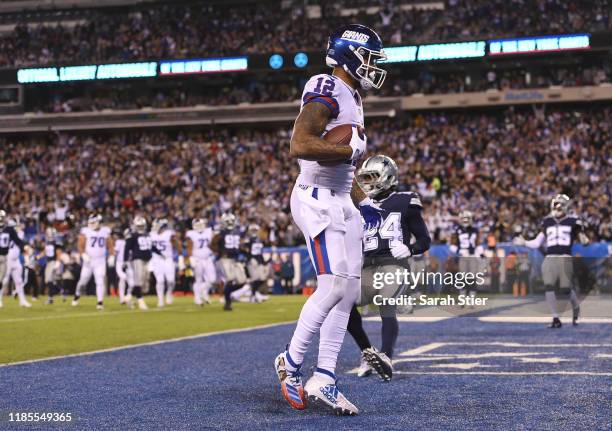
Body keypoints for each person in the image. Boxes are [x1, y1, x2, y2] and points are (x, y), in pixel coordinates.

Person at [274, 24, 387, 415]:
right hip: (316, 197)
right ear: (351, 54)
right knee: (333, 284)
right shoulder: (327, 84)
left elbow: (347, 164)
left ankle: (324, 378)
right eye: (370, 56)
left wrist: (365, 200)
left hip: (341, 198)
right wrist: (346, 153)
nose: (374, 65)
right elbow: (300, 144)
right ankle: (290, 364)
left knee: (349, 291)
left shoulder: (353, 95)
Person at [348, 155, 431, 381]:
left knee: (387, 305)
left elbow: (425, 240)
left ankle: (386, 356)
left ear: (387, 177)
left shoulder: (405, 201)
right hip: (366, 265)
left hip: (393, 264)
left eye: (372, 177)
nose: (366, 183)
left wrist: (411, 249)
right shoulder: (357, 204)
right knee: (342, 303)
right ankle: (368, 352)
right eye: (364, 178)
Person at [514, 194, 588, 327]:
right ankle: (556, 318)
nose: (557, 207)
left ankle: (575, 307)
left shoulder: (573, 221)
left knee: (565, 289)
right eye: (555, 205)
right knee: (549, 286)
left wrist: (584, 238)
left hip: (565, 257)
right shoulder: (547, 221)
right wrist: (524, 242)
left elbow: (583, 240)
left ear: (565, 207)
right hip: (549, 257)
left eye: (559, 205)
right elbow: (537, 243)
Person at [72, 214, 113, 309]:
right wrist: (83, 254)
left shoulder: (105, 231)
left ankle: (100, 302)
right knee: (82, 281)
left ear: (98, 222)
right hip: (88, 260)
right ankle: (77, 296)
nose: (91, 224)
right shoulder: (86, 231)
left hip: (100, 260)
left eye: (93, 222)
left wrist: (112, 255)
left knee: (100, 280)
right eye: (90, 222)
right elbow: (80, 245)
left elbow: (110, 245)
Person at [124, 216, 160, 310]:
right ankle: (140, 301)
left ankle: (129, 296)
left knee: (145, 281)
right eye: (139, 226)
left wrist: (160, 253)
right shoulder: (132, 235)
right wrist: (125, 261)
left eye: (142, 226)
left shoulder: (147, 235)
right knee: (139, 279)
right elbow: (127, 249)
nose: (140, 228)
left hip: (147, 259)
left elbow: (151, 246)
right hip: (137, 259)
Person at [149, 218, 180, 307]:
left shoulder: (169, 234)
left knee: (171, 280)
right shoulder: (151, 234)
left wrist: (180, 255)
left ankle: (169, 292)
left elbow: (176, 244)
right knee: (160, 280)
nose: (155, 227)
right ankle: (160, 299)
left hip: (168, 259)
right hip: (156, 259)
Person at [0, 217, 30, 307]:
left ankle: (22, 300)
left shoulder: (18, 232)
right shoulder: (10, 232)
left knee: (19, 281)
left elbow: (20, 242)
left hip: (16, 260)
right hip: (8, 258)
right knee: (4, 280)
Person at [186, 218, 216, 306]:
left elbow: (213, 244)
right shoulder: (191, 234)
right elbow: (189, 246)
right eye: (197, 225)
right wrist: (190, 258)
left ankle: (203, 292)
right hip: (197, 259)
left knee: (212, 279)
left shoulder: (209, 231)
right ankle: (197, 298)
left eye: (201, 225)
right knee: (198, 279)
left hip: (208, 258)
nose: (199, 227)